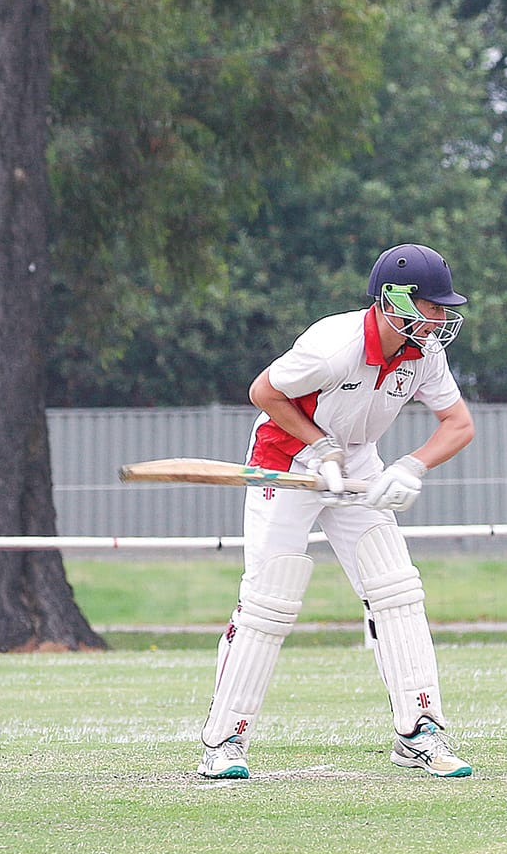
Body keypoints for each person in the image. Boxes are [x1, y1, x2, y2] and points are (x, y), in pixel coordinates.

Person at [197, 243, 478, 780]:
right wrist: (320, 447)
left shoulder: (425, 354)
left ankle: (418, 731)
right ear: (395, 300)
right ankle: (224, 742)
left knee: (396, 589)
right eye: (433, 306)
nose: (442, 318)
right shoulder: (334, 345)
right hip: (286, 462)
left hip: (359, 463)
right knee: (268, 600)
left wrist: (411, 467)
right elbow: (264, 392)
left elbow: (458, 424)